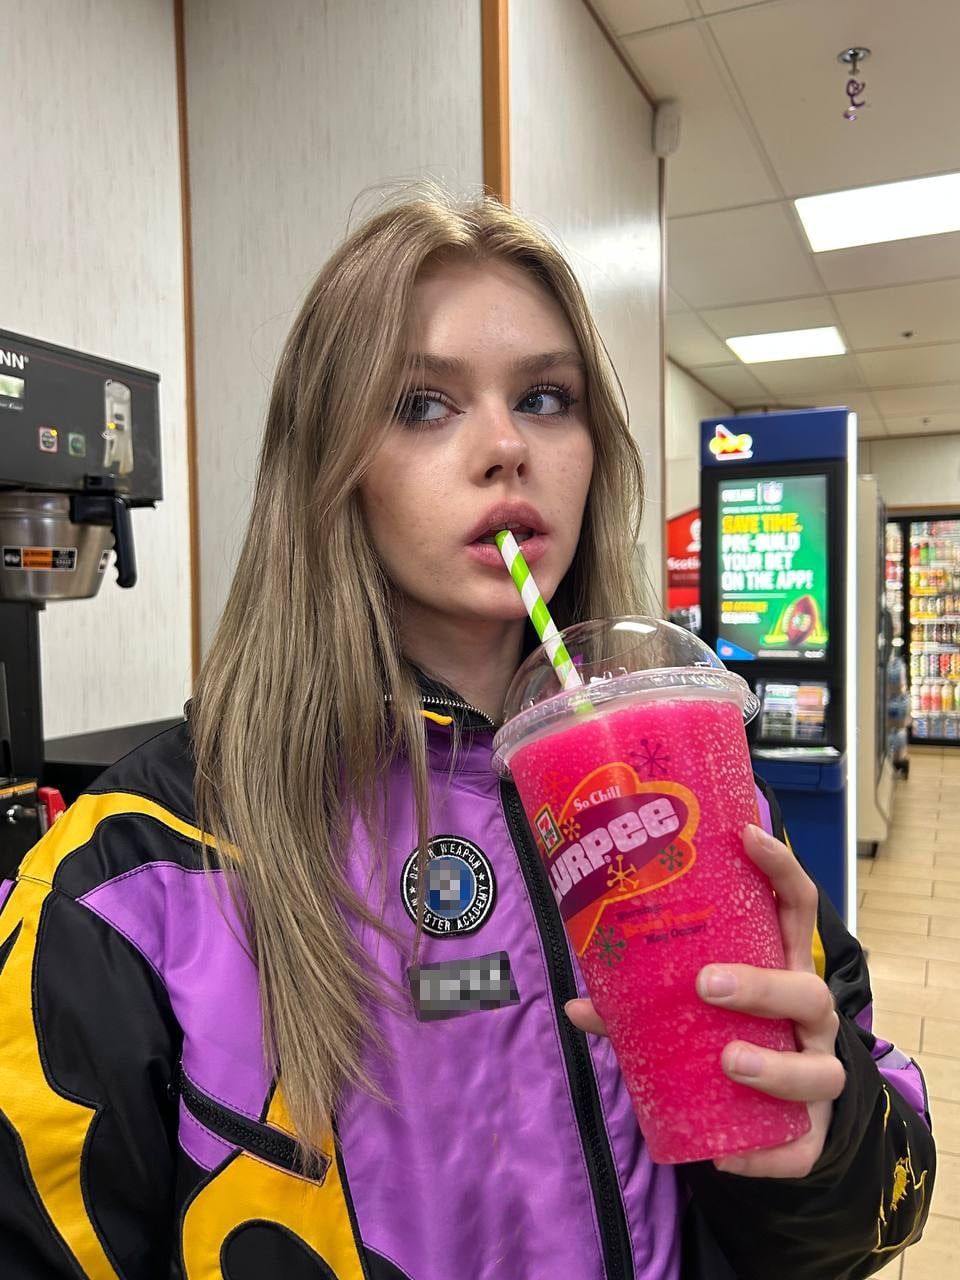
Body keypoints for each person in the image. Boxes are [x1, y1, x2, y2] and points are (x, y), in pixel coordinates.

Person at [0, 192, 935, 1280]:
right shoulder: (134, 874)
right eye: (422, 404)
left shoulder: (682, 789)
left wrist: (821, 1151)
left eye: (546, 397)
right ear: (328, 462)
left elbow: (878, 1203)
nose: (505, 446)